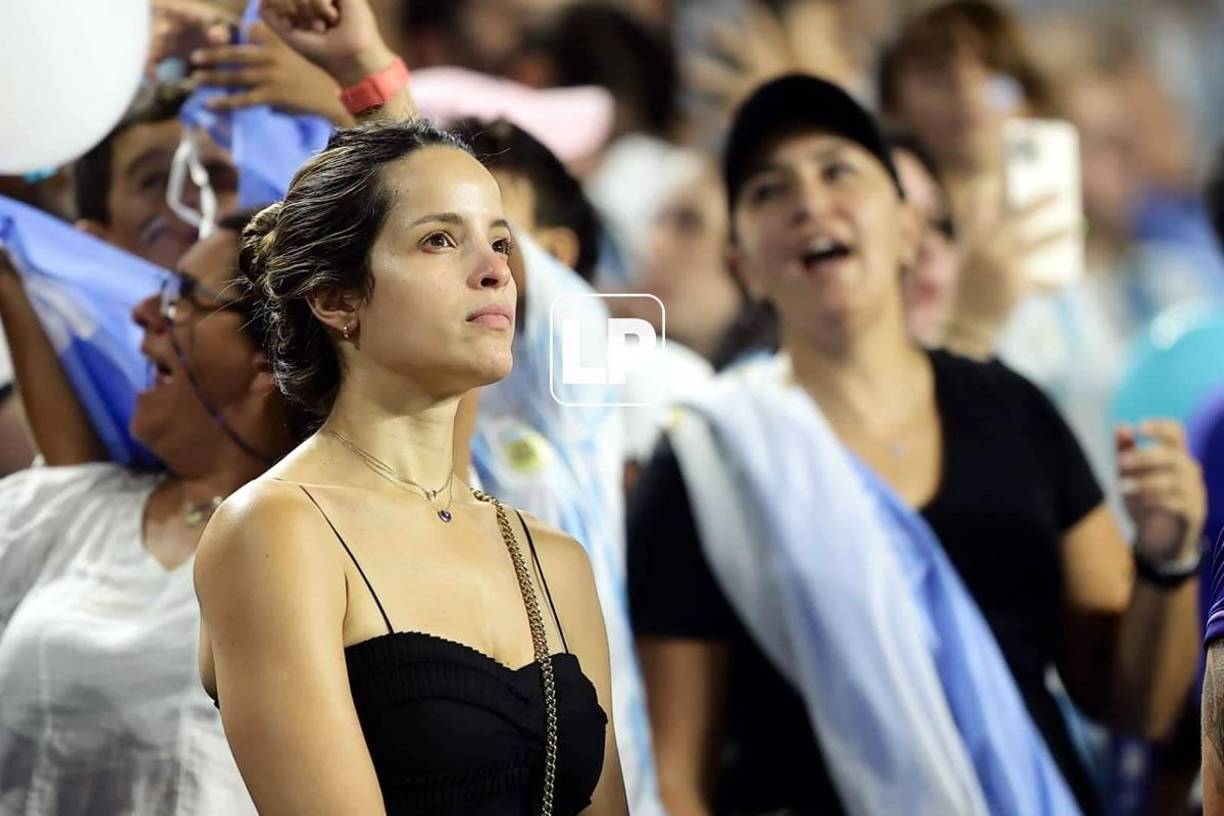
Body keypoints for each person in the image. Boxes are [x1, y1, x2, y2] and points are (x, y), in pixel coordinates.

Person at [630, 74, 1204, 816]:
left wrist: (1167, 559)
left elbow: (1134, 708)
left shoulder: (1011, 409)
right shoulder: (711, 462)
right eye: (769, 190)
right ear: (743, 266)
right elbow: (680, 778)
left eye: (838, 170)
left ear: (907, 227)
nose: (809, 201)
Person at [194, 3, 627, 813]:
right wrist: (365, 73)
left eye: (500, 241)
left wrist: (370, 71)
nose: (497, 270)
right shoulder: (276, 532)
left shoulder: (554, 558)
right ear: (336, 297)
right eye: (439, 241)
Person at [0, 209, 288, 814]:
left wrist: (382, 121)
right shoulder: (79, 509)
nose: (144, 314)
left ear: (269, 359)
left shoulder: (322, 548)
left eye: (183, 300)